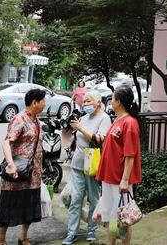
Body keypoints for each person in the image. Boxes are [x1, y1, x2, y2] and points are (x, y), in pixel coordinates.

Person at [0, 88, 47, 245]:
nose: (45, 104)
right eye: (43, 101)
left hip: (33, 172)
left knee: (29, 205)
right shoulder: (19, 119)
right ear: (35, 102)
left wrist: (41, 167)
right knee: (9, 203)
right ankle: (0, 240)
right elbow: (6, 142)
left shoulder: (36, 120)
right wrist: (11, 165)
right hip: (17, 170)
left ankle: (23, 237)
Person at [93, 86, 141, 245]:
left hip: (120, 178)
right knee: (110, 216)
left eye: (113, 99)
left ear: (119, 102)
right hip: (109, 176)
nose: (111, 102)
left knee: (123, 217)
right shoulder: (118, 120)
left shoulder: (130, 123)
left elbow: (130, 154)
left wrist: (125, 180)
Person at [63, 90, 112, 244]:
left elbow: (99, 140)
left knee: (93, 199)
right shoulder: (82, 118)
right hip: (77, 164)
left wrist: (81, 128)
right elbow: (74, 139)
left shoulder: (104, 118)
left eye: (88, 101)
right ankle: (72, 232)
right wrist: (68, 129)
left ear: (98, 102)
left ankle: (91, 230)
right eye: (84, 101)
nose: (85, 104)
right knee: (75, 199)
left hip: (93, 165)